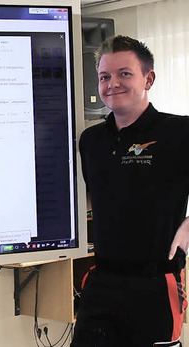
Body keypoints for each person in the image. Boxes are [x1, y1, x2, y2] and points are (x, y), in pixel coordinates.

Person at [74, 35, 189, 346]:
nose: (113, 84)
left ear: (148, 78)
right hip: (102, 281)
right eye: (104, 76)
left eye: (124, 73)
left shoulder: (179, 132)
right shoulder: (91, 140)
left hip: (154, 285)